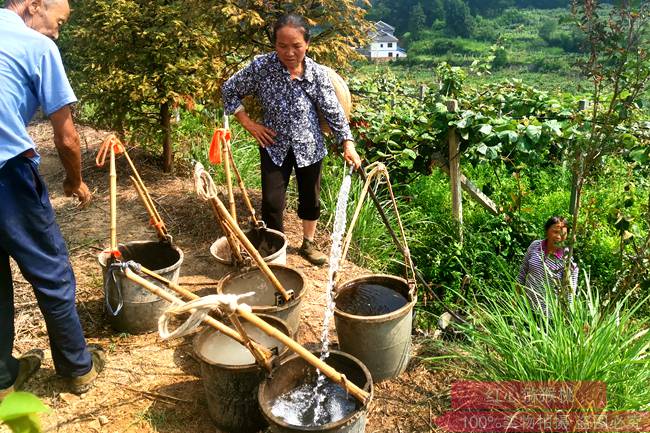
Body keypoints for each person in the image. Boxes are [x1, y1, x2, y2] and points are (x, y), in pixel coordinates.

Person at [0, 0, 104, 399]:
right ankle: (78, 368)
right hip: (7, 177)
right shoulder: (37, 46)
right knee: (51, 273)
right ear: (33, 5)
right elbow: (67, 137)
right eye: (58, 22)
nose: (57, 32)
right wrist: (74, 182)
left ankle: (3, 379)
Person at [222, 13, 362, 266]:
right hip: (273, 145)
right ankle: (275, 250)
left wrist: (347, 143)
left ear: (307, 44)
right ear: (274, 44)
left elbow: (333, 111)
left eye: (296, 46)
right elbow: (230, 89)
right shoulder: (261, 68)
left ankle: (308, 243)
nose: (289, 52)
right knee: (272, 202)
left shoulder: (317, 74)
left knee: (311, 198)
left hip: (310, 145)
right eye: (282, 46)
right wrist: (248, 123)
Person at [517, 216, 579, 316]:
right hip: (526, 308)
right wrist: (515, 300)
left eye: (563, 234)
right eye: (555, 232)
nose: (559, 237)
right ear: (547, 231)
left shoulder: (568, 262)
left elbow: (569, 297)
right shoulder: (535, 246)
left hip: (548, 317)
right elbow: (522, 274)